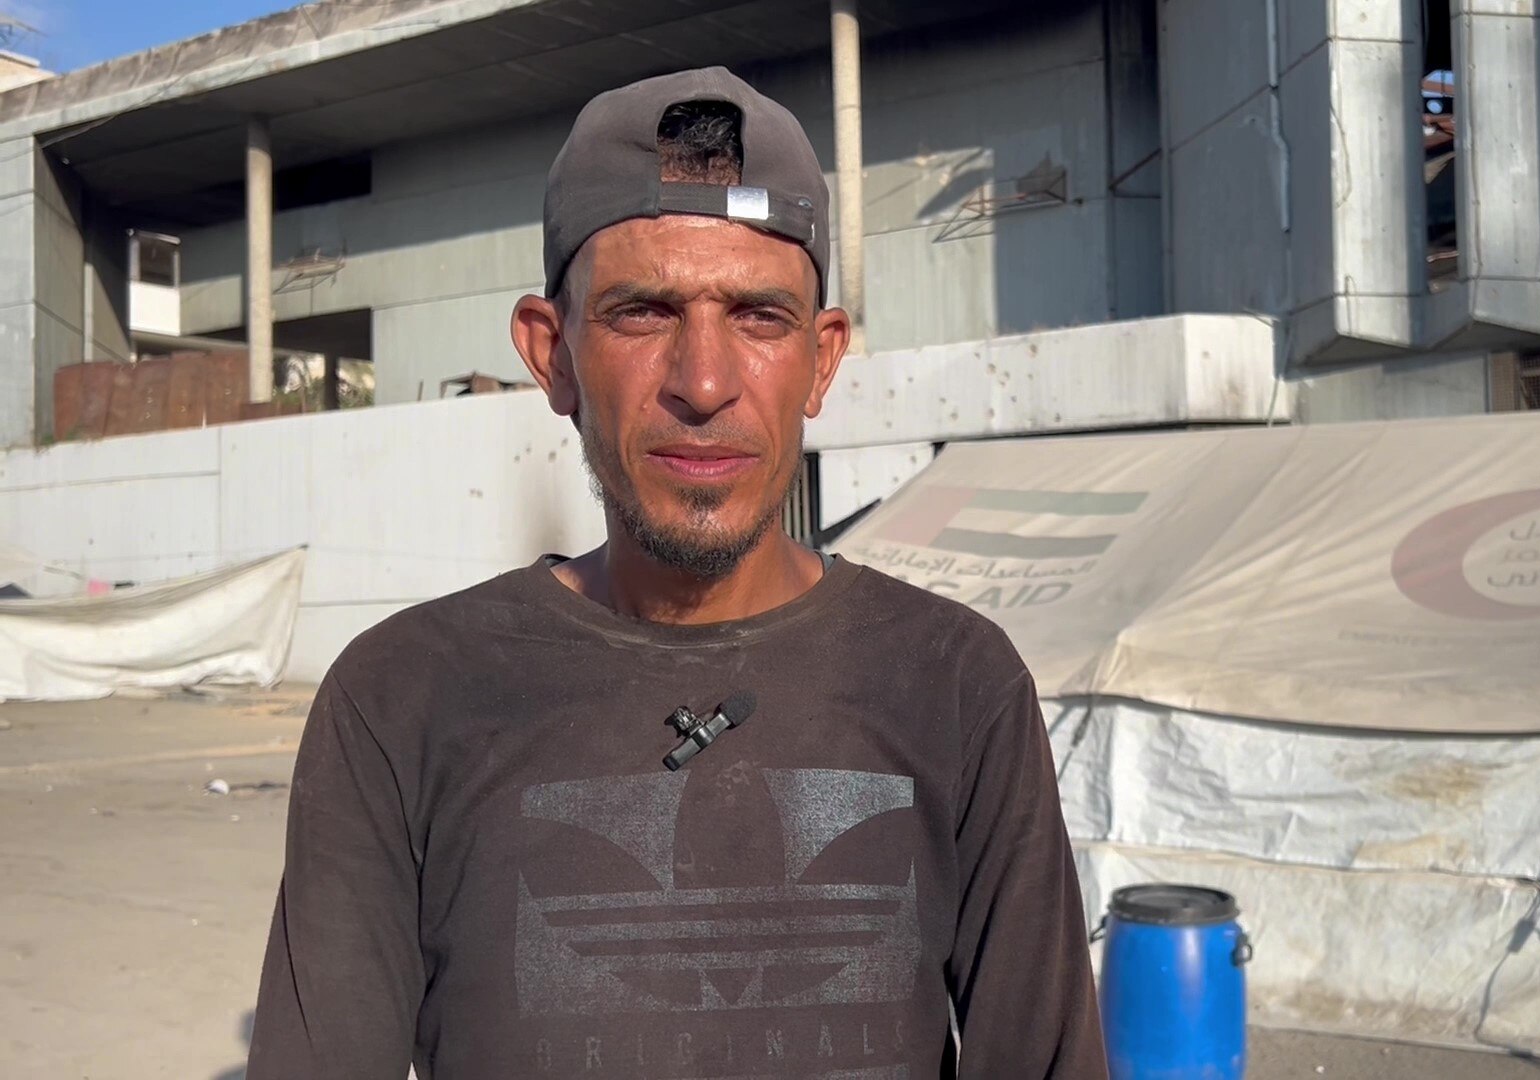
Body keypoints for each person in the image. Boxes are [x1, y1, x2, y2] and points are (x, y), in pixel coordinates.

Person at [245, 66, 1106, 1079]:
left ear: (823, 358)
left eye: (760, 316)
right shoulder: (403, 696)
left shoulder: (954, 682)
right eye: (644, 312)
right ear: (553, 354)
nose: (704, 383)